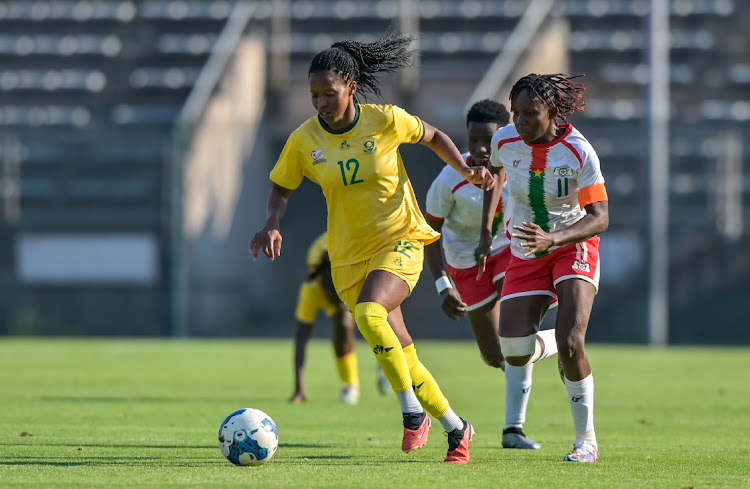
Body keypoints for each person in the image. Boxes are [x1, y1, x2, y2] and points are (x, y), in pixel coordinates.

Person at [250, 32, 495, 464]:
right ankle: (458, 429)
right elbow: (281, 186)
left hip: (399, 239)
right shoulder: (305, 140)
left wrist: (465, 170)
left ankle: (411, 415)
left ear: (351, 88)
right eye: (313, 95)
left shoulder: (385, 120)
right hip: (347, 256)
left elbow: (433, 135)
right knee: (403, 354)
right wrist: (271, 223)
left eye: (329, 93)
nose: (321, 102)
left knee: (369, 313)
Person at [477, 74, 609, 463]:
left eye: (529, 114)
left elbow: (600, 217)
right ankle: (564, 345)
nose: (519, 121)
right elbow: (496, 176)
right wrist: (488, 230)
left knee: (573, 343)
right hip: (524, 249)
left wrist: (554, 238)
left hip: (572, 244)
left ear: (551, 110)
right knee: (514, 352)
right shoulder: (504, 140)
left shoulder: (579, 151)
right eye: (515, 113)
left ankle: (586, 441)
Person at [424, 99, 558, 450]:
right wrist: (443, 287)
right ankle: (560, 340)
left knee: (519, 334)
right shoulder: (448, 180)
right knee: (496, 355)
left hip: (508, 250)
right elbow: (429, 237)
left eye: (489, 140)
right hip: (466, 264)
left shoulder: (517, 165)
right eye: (473, 140)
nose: (482, 148)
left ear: (504, 137)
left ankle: (513, 429)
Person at [290, 231, 389, 405]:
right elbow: (301, 338)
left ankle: (387, 363)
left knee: (374, 319)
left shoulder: (355, 266)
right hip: (330, 288)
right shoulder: (311, 289)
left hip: (357, 281)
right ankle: (350, 385)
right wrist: (299, 388)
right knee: (343, 327)